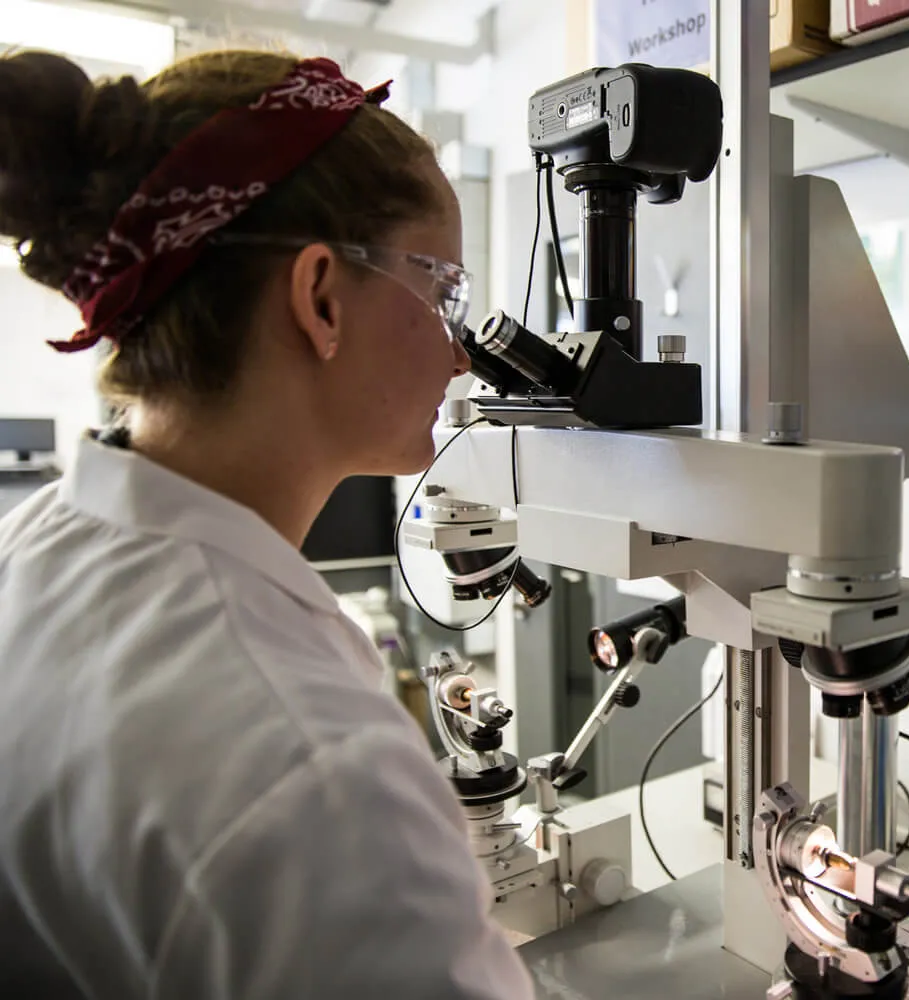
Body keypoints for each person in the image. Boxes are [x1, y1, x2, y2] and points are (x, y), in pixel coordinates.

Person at [0, 49, 534, 999]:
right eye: (441, 289)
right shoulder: (317, 779)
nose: (459, 353)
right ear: (320, 296)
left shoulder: (34, 546)